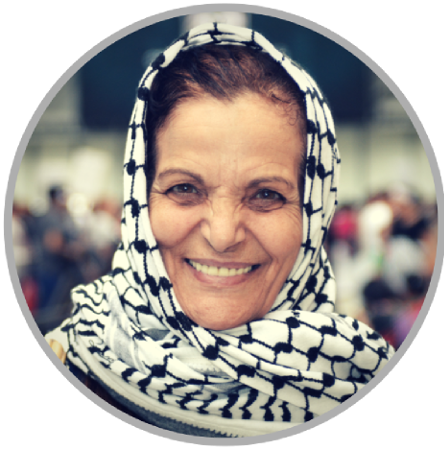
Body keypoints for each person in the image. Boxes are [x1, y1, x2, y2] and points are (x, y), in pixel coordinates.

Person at [46, 23, 395, 438]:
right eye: (184, 189)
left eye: (266, 195)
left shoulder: (358, 374)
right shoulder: (69, 357)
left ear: (313, 211)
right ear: (140, 199)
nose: (223, 235)